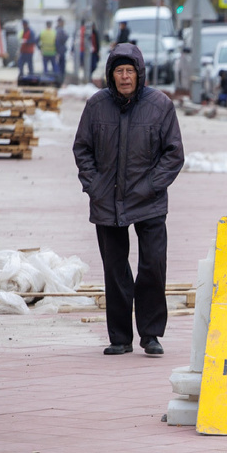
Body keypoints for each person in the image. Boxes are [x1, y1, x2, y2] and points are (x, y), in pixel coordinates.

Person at [73, 43, 184, 356]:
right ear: (111, 75)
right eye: (119, 71)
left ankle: (150, 335)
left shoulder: (160, 105)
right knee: (115, 269)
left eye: (129, 71)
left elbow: (174, 153)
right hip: (107, 201)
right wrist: (95, 185)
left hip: (148, 200)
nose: (124, 77)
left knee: (152, 266)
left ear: (139, 74)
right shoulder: (96, 106)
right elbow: (82, 148)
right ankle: (120, 338)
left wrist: (152, 185)